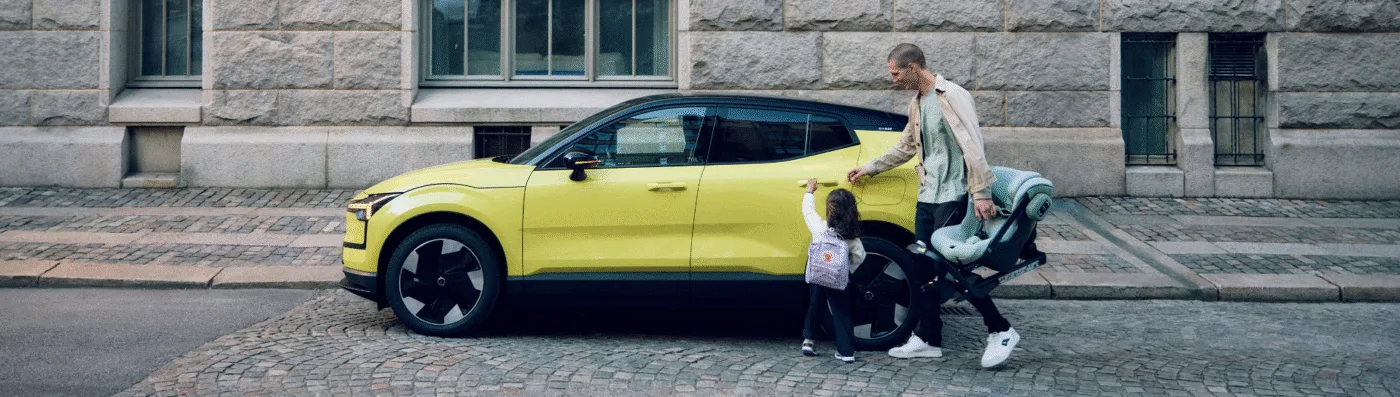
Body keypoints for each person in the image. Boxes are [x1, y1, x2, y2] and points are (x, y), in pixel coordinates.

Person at [846, 43, 1043, 368]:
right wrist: (870, 168)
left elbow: (973, 143)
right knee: (923, 269)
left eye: (895, 72)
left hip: (953, 198)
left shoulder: (951, 95)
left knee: (950, 272)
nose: (893, 79)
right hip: (927, 197)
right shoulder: (918, 103)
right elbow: (905, 147)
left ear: (912, 67)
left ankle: (1000, 329)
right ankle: (928, 339)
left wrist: (980, 192)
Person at [799, 179, 866, 363]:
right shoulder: (852, 238)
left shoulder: (820, 228)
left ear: (829, 211)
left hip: (817, 276)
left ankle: (809, 340)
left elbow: (808, 212)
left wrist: (809, 191)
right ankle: (846, 352)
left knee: (815, 305)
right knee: (841, 312)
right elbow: (860, 256)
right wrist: (848, 270)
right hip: (839, 279)